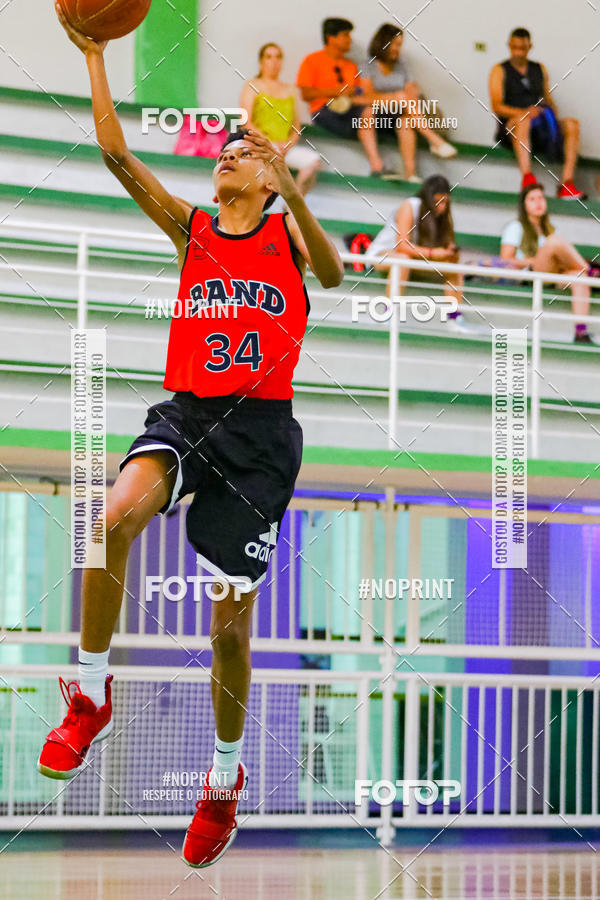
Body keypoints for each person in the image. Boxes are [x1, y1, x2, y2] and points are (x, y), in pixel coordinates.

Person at [40, 4, 343, 870]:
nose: (226, 154)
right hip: (187, 413)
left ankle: (222, 778)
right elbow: (115, 153)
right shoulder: (195, 230)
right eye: (223, 150)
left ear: (270, 171)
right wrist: (97, 55)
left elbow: (333, 272)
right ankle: (91, 694)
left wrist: (295, 200)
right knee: (107, 520)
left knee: (229, 633)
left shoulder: (287, 241)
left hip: (260, 437)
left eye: (241, 149)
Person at [489, 28, 586, 199]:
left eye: (522, 48)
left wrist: (549, 112)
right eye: (514, 47)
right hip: (512, 126)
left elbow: (548, 98)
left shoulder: (539, 69)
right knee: (523, 119)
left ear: (529, 47)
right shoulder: (499, 70)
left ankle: (567, 183)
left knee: (572, 123)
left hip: (539, 126)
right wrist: (525, 112)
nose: (518, 52)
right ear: (509, 46)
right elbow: (497, 106)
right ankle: (527, 179)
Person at [367, 174, 467, 331]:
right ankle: (388, 313)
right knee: (402, 259)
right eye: (437, 202)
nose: (441, 207)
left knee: (455, 269)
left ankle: (454, 318)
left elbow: (446, 248)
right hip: (385, 254)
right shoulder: (411, 205)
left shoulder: (443, 217)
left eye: (445, 202)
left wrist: (449, 254)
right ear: (428, 198)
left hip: (416, 259)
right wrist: (434, 254)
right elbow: (402, 246)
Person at [500, 182, 596, 344]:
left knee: (579, 277)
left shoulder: (551, 228)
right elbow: (505, 261)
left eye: (540, 198)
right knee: (553, 241)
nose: (538, 202)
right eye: (532, 199)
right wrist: (532, 260)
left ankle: (580, 332)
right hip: (531, 274)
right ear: (524, 205)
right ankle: (592, 270)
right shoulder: (515, 227)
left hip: (554, 272)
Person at [361, 23, 456, 182]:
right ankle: (434, 140)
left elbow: (412, 92)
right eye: (395, 44)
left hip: (401, 111)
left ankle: (410, 174)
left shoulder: (402, 65)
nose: (398, 49)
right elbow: (368, 96)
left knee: (406, 121)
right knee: (401, 98)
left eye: (400, 45)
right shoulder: (367, 65)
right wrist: (394, 97)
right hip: (377, 113)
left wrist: (400, 98)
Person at [297, 18, 386, 176]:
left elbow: (361, 94)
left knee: (369, 110)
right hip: (324, 112)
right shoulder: (312, 60)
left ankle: (376, 166)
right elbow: (306, 94)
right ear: (331, 38)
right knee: (366, 112)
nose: (350, 39)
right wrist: (335, 91)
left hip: (350, 111)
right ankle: (376, 163)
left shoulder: (351, 66)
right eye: (345, 35)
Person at [240, 42, 321, 195]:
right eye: (269, 57)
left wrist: (287, 145)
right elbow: (246, 121)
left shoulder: (290, 90)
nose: (274, 62)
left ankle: (293, 203)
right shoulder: (252, 85)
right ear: (261, 62)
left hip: (284, 148)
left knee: (312, 162)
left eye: (278, 57)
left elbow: (296, 125)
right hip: (259, 146)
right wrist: (270, 144)